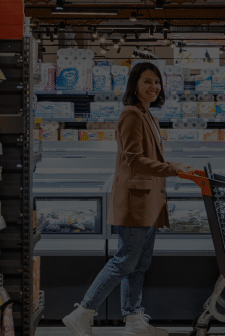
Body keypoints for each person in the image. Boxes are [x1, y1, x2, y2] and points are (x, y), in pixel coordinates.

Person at [63, 62, 194, 336]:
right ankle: (82, 312)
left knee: (139, 264)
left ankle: (133, 320)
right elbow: (134, 160)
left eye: (157, 82)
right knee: (124, 261)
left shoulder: (149, 116)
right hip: (136, 201)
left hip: (148, 201)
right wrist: (174, 168)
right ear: (135, 85)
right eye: (147, 81)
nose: (153, 87)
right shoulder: (131, 115)